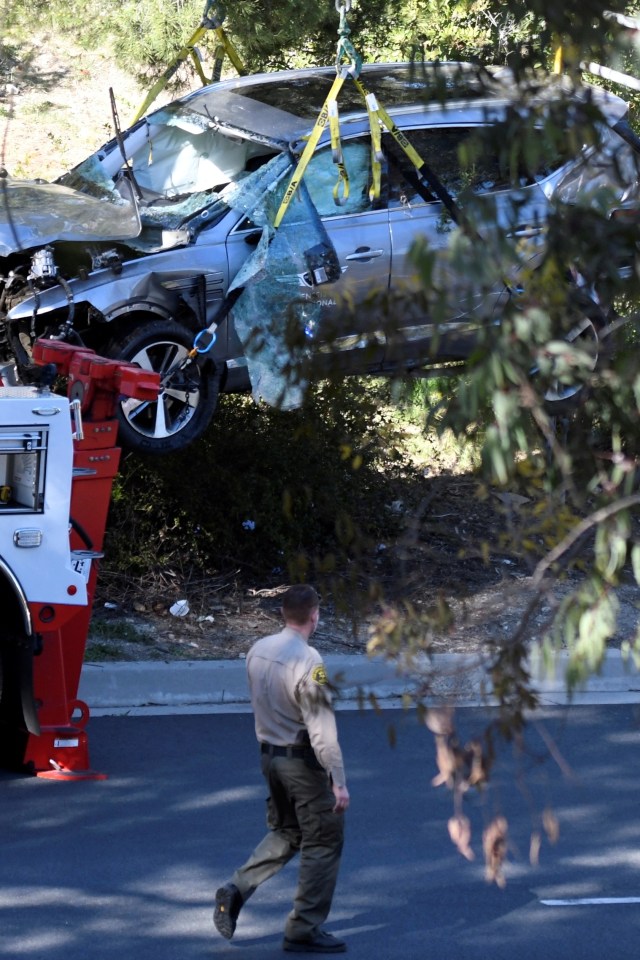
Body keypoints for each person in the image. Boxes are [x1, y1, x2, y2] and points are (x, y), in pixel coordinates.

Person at [213, 584, 350, 954]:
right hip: (301, 763)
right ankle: (303, 928)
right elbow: (322, 730)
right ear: (315, 616)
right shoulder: (309, 661)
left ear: (282, 614)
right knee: (323, 839)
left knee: (287, 831)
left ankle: (236, 889)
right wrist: (338, 780)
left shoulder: (258, 650)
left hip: (269, 758)